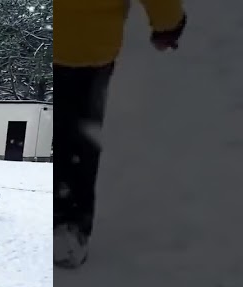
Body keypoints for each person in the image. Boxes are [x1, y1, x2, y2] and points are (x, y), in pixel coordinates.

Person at [55, 0, 188, 268]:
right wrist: (168, 26)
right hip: (90, 49)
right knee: (79, 139)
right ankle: (69, 227)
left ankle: (62, 217)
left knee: (61, 134)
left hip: (66, 41)